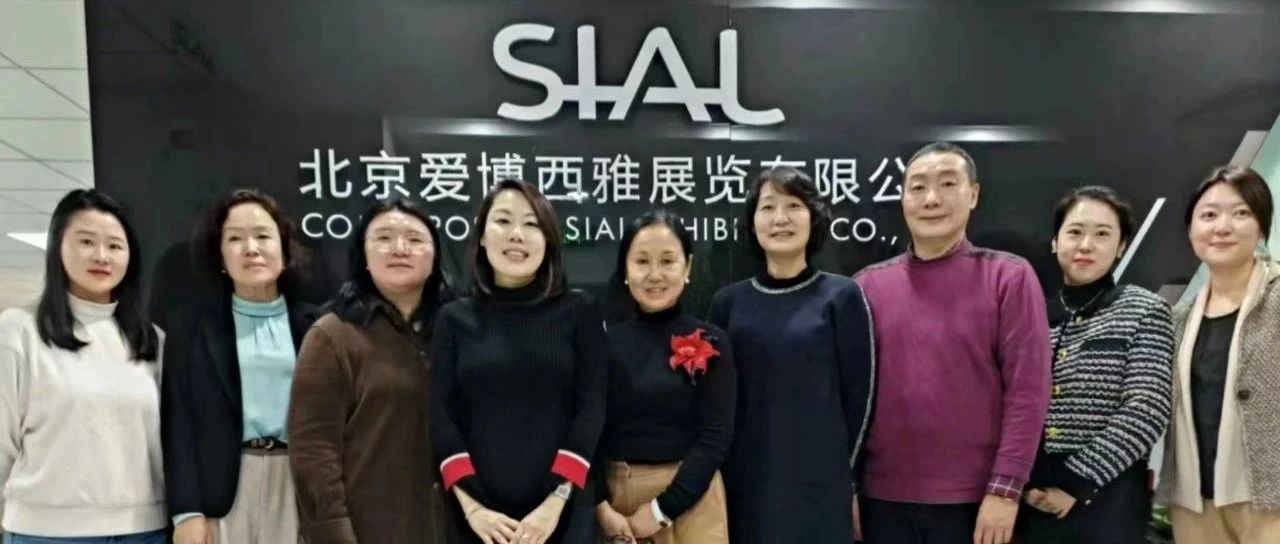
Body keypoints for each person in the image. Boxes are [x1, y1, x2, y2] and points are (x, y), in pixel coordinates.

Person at [853, 142, 1051, 544]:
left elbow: (1028, 392)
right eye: (917, 187)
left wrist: (1006, 489)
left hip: (975, 501)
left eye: (947, 184)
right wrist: (848, 486)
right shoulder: (866, 285)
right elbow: (849, 398)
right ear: (903, 198)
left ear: (973, 195)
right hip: (881, 499)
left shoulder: (1008, 277)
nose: (931, 199)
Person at [430, 179, 606, 544]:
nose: (516, 235)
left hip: (563, 513)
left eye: (531, 224)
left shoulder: (579, 311)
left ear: (549, 240)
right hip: (477, 519)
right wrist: (474, 509)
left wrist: (554, 503)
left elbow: (591, 408)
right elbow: (442, 415)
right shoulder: (453, 318)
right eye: (503, 221)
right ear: (481, 236)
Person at [710, 167, 874, 544]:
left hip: (819, 486)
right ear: (752, 222)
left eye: (794, 206)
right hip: (745, 483)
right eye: (768, 207)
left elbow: (860, 400)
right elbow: (715, 402)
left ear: (813, 219)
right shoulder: (727, 304)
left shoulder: (842, 296)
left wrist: (847, 479)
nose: (780, 218)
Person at [0, 189, 165, 543]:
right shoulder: (19, 330)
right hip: (45, 532)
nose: (101, 256)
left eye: (115, 246)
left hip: (143, 531)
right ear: (57, 246)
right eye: (86, 241)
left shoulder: (151, 340)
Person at [1016, 186, 1174, 543]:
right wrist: (1023, 482)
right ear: (1055, 241)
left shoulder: (1145, 310)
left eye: (1102, 234)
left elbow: (1147, 408)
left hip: (1108, 496)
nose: (1086, 245)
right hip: (1033, 498)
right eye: (1075, 232)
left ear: (1121, 246)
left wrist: (1076, 482)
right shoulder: (1031, 313)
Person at [289, 199, 453, 543]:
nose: (399, 248)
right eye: (384, 238)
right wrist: (333, 534)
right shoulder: (332, 336)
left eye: (414, 239)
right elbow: (314, 451)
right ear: (363, 255)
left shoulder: (458, 331)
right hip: (372, 529)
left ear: (435, 255)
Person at [162, 189, 319, 544]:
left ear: (284, 249)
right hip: (223, 490)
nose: (251, 248)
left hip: (297, 483)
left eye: (263, 236)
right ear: (220, 255)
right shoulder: (191, 329)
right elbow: (178, 424)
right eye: (235, 238)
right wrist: (186, 511)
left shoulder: (318, 326)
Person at [592, 210, 735, 544]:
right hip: (616, 507)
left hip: (693, 500)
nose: (654, 274)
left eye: (667, 261)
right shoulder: (601, 344)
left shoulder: (712, 341)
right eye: (642, 261)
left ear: (687, 268)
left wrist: (662, 510)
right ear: (625, 270)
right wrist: (600, 505)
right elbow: (587, 429)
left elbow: (715, 437)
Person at [1157, 166, 1280, 543]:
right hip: (1195, 503)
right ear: (1191, 229)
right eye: (1209, 215)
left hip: (1270, 499)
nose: (1222, 227)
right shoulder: (1178, 317)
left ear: (1262, 227)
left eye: (1241, 213)